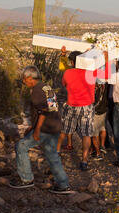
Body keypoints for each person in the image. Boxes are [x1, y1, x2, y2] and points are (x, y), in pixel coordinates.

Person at [10, 66, 75, 194]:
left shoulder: (36, 91)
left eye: (24, 79)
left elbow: (44, 111)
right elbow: (51, 108)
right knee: (52, 156)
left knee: (21, 146)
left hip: (45, 128)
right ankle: (63, 185)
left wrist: (37, 130)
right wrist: (32, 126)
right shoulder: (46, 87)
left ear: (30, 78)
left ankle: (26, 179)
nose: (24, 82)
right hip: (55, 126)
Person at [60, 47, 111, 171]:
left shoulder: (68, 73)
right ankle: (84, 160)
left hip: (72, 105)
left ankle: (56, 152)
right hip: (87, 107)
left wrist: (62, 55)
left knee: (64, 130)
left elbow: (64, 84)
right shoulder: (91, 72)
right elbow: (107, 75)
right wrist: (106, 59)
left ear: (72, 62)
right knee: (86, 135)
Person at [57, 46, 73, 152]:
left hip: (69, 100)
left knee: (66, 124)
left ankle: (58, 149)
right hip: (79, 100)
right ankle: (70, 143)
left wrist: (63, 55)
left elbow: (62, 67)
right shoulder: (82, 70)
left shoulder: (69, 71)